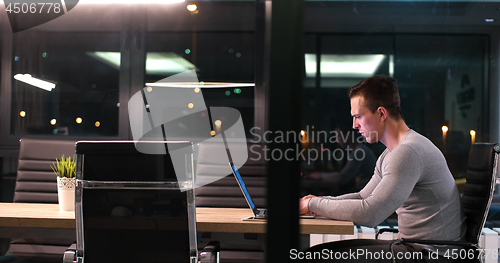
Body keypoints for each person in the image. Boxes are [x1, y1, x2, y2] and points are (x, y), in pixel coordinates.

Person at [299, 76, 466, 262]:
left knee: (314, 257)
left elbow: (370, 213)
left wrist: (312, 205)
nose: (355, 125)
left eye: (358, 116)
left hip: (433, 256)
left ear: (381, 113)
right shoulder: (391, 153)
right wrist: (319, 201)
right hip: (414, 248)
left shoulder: (408, 152)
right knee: (314, 254)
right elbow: (363, 196)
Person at [304, 127, 377, 195]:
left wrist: (320, 175)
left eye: (338, 136)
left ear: (348, 135)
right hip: (366, 191)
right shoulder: (359, 149)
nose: (336, 140)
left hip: (368, 194)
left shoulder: (359, 152)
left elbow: (341, 178)